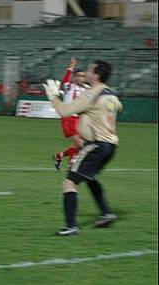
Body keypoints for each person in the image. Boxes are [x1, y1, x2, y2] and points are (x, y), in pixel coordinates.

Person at [43, 60, 122, 236]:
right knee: (90, 177)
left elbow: (65, 111)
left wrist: (53, 97)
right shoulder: (111, 94)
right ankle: (106, 213)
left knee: (69, 182)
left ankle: (71, 226)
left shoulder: (91, 94)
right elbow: (118, 107)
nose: (86, 72)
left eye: (89, 70)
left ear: (96, 75)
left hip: (95, 145)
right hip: (111, 145)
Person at [52, 57, 87, 170]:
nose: (81, 78)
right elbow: (64, 83)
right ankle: (72, 164)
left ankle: (59, 156)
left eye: (83, 76)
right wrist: (71, 68)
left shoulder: (86, 89)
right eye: (79, 76)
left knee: (78, 145)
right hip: (69, 118)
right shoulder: (70, 87)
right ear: (75, 77)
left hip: (80, 120)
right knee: (81, 144)